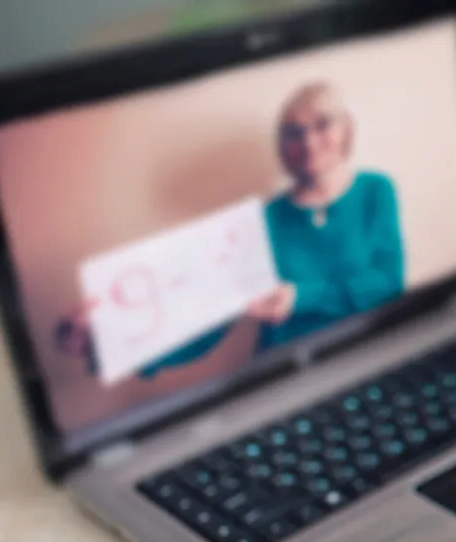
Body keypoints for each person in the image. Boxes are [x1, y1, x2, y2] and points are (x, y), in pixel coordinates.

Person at [54, 81, 405, 378]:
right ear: (283, 145)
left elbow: (388, 283)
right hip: (287, 376)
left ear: (345, 129)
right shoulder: (262, 221)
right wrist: (113, 343)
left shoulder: (376, 190)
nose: (309, 142)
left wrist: (300, 296)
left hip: (369, 361)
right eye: (294, 132)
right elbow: (208, 321)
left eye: (322, 124)